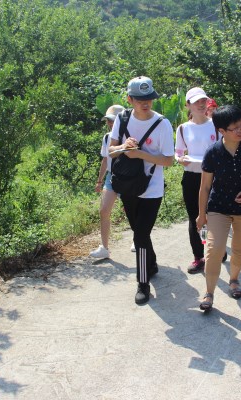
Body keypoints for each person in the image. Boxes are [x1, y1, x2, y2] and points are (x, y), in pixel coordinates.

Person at [108, 76, 175, 304]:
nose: (145, 103)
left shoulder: (162, 124)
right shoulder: (122, 118)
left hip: (152, 188)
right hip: (128, 185)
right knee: (140, 232)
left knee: (139, 235)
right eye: (139, 99)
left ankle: (143, 282)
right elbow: (111, 151)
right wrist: (123, 147)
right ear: (129, 99)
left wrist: (140, 154)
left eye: (149, 98)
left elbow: (168, 160)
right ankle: (152, 264)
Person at [196, 105, 241, 311]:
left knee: (239, 249)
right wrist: (201, 215)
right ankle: (209, 292)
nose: (240, 130)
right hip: (218, 207)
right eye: (234, 127)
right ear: (221, 131)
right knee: (214, 249)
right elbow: (205, 186)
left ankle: (234, 279)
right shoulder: (213, 152)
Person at [175, 87, 220, 274]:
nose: (201, 105)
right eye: (196, 102)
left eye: (203, 101)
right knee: (195, 218)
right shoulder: (183, 128)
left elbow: (224, 149)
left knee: (216, 216)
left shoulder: (216, 125)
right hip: (192, 176)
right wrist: (180, 159)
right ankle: (198, 256)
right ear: (188, 105)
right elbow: (178, 152)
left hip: (214, 177)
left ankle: (217, 250)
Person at [90, 105, 125, 259]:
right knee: (104, 210)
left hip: (128, 178)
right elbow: (105, 160)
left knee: (131, 211)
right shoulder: (107, 137)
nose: (110, 123)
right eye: (108, 121)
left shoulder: (130, 136)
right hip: (111, 177)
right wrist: (99, 181)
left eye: (113, 120)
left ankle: (137, 240)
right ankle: (104, 248)